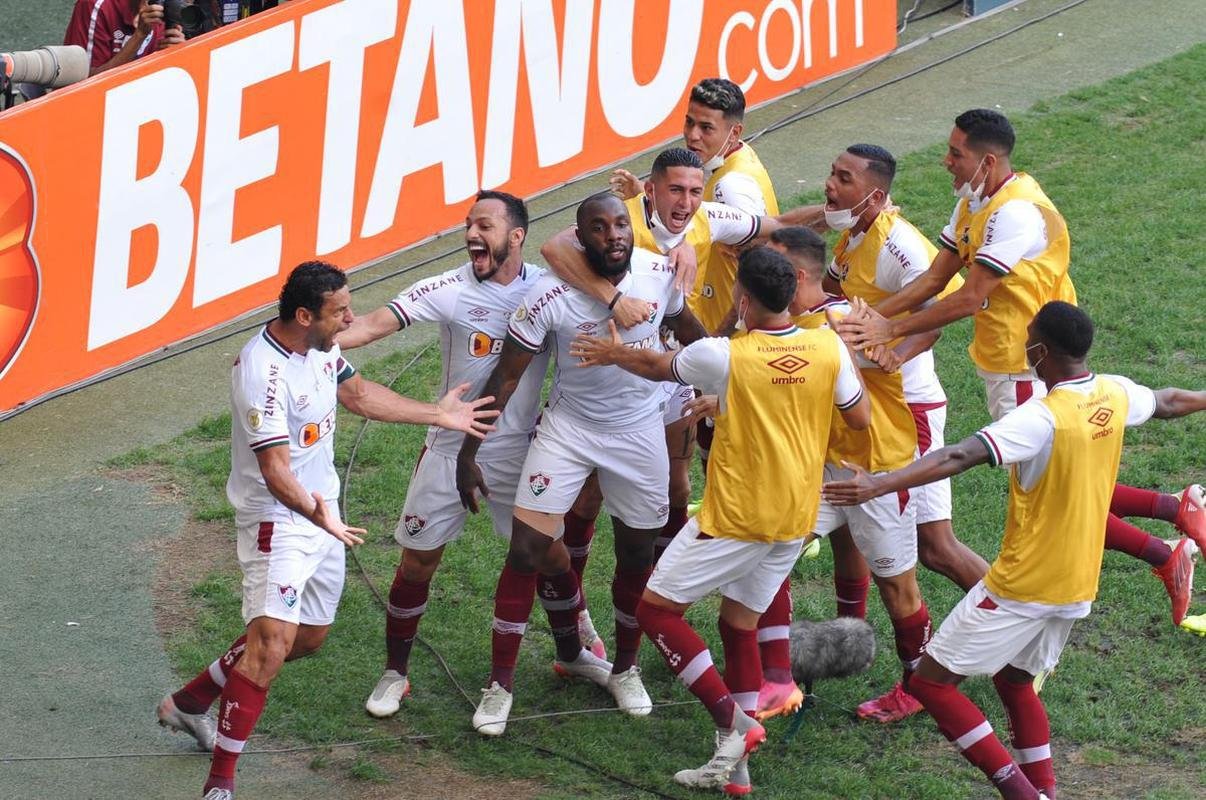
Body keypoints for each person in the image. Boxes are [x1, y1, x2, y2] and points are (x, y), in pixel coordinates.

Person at [822, 301, 1206, 800]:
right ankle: (1044, 791)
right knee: (1015, 683)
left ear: (1041, 351)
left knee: (930, 685)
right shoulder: (1113, 392)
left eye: (1028, 337)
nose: (1023, 344)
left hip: (1024, 584)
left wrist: (878, 485)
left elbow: (958, 454)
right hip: (1076, 587)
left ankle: (1020, 794)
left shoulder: (1041, 419)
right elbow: (1169, 400)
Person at [835, 109, 1202, 625]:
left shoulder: (1016, 214)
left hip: (1032, 370)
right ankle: (1172, 517)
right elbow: (938, 277)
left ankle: (1165, 543)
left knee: (1054, 491)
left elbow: (971, 297)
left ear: (986, 160)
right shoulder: (975, 198)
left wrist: (887, 330)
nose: (945, 160)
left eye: (955, 153)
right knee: (1055, 483)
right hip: (1006, 363)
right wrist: (876, 316)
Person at [155, 262, 498, 800]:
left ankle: (191, 701)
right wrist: (318, 516)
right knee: (269, 649)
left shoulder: (321, 349)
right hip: (278, 519)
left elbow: (359, 395)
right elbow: (276, 472)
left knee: (308, 638)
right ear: (302, 314)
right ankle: (219, 786)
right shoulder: (262, 375)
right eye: (339, 311)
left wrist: (440, 414)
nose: (350, 317)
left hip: (323, 513)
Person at [570, 246, 869, 793]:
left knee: (656, 611)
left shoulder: (723, 354)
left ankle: (735, 722)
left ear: (744, 298)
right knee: (738, 623)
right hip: (795, 517)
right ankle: (736, 773)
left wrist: (613, 354)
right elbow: (859, 414)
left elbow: (659, 366)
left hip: (736, 516)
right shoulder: (827, 346)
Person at [459, 193, 707, 736]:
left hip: (639, 433)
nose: (614, 235)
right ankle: (500, 685)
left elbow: (695, 336)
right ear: (580, 238)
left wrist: (726, 384)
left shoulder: (657, 275)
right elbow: (506, 376)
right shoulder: (550, 295)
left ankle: (624, 668)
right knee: (525, 548)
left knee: (635, 551)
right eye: (598, 228)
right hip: (569, 430)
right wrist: (468, 449)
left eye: (621, 224)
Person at [331, 191, 573, 718]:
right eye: (467, 224)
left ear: (516, 236)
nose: (470, 234)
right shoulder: (447, 289)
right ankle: (395, 672)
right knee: (418, 562)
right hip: (445, 450)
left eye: (483, 225)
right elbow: (371, 325)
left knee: (551, 555)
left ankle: (576, 649)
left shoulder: (550, 290)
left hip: (521, 453)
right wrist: (305, 338)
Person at [819, 144, 993, 721]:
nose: (830, 185)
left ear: (874, 191)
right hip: (868, 404)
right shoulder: (852, 234)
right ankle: (1007, 630)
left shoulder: (900, 244)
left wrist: (895, 348)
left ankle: (1006, 631)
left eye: (843, 179)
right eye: (832, 174)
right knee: (878, 537)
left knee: (929, 549)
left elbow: (940, 315)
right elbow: (836, 291)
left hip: (907, 411)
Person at [760, 225, 936, 726]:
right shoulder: (793, 323)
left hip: (878, 470)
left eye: (770, 269)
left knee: (897, 586)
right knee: (767, 550)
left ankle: (917, 684)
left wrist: (893, 353)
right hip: (822, 469)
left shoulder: (844, 321)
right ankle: (777, 674)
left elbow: (930, 325)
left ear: (794, 275)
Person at [64, 0, 183, 76]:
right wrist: (139, 35)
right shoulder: (96, 5)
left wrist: (178, 53)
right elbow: (83, 84)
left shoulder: (168, 8)